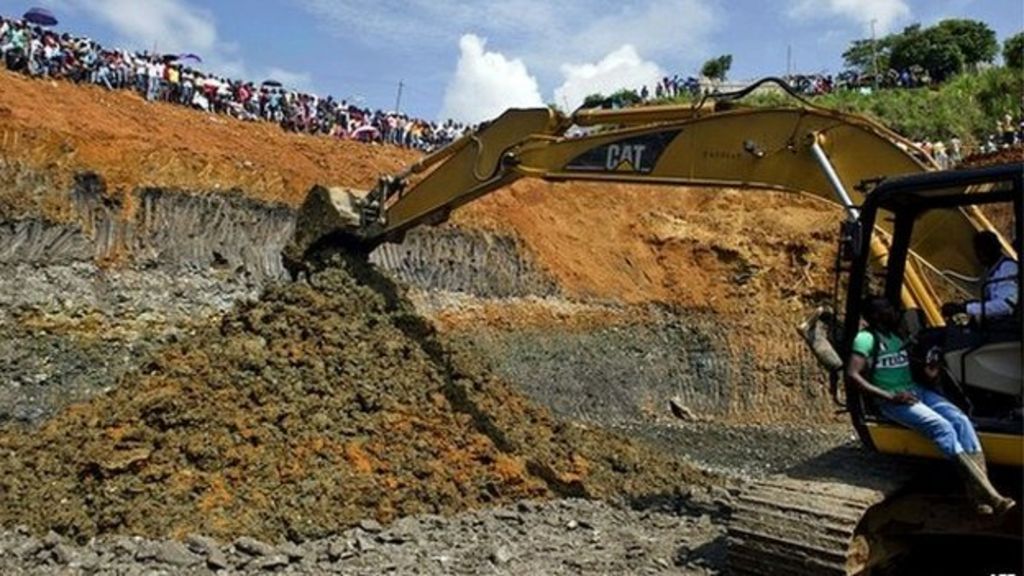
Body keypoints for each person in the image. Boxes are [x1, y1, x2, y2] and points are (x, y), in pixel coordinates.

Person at [846, 297, 1015, 515]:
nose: (893, 310)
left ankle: (976, 496)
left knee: (961, 420)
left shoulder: (896, 335)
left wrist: (929, 374)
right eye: (887, 308)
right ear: (875, 315)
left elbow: (903, 367)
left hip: (916, 391)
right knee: (942, 426)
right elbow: (852, 374)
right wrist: (890, 396)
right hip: (893, 400)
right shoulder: (865, 339)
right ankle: (992, 494)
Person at [942, 231, 1019, 321]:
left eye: (979, 252)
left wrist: (967, 308)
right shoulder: (990, 272)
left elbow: (1006, 306)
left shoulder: (1008, 268)